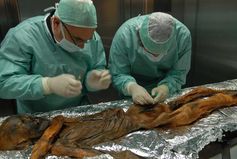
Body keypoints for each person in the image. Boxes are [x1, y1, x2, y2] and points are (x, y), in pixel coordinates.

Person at [0, 0, 111, 114]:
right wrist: (47, 85)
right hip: (35, 117)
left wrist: (91, 81)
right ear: (56, 23)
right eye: (77, 40)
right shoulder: (24, 36)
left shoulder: (91, 38)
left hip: (78, 112)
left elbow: (98, 67)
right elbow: (4, 82)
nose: (83, 46)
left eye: (87, 40)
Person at [109, 12, 192, 105]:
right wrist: (131, 87)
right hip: (131, 95)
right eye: (150, 51)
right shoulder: (125, 35)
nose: (155, 57)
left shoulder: (182, 36)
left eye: (160, 52)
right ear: (140, 38)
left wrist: (166, 87)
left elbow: (179, 72)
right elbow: (118, 73)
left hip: (165, 96)